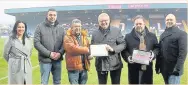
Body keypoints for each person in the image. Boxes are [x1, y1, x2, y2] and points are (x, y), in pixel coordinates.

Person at [121, 15, 159, 84]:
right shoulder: (128, 36)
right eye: (136, 24)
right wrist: (128, 57)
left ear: (144, 24)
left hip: (147, 68)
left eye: (140, 23)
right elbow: (124, 50)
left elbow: (157, 48)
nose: (138, 25)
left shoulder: (152, 36)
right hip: (133, 68)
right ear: (134, 25)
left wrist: (153, 54)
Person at [91, 13, 126, 84]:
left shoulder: (116, 30)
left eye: (105, 20)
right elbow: (92, 47)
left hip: (115, 63)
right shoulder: (94, 33)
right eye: (101, 21)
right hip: (101, 64)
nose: (104, 22)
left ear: (109, 20)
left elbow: (123, 44)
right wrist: (91, 54)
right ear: (98, 22)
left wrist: (113, 49)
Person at [34, 8, 65, 85]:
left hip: (57, 60)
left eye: (54, 15)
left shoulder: (61, 28)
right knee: (44, 82)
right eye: (50, 15)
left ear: (56, 16)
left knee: (57, 82)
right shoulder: (39, 27)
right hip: (45, 60)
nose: (52, 16)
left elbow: (65, 43)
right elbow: (36, 43)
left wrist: (60, 53)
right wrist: (49, 54)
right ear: (47, 15)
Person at [155, 14, 187, 84]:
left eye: (171, 19)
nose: (169, 21)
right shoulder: (162, 34)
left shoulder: (182, 34)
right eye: (167, 20)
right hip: (164, 69)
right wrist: (157, 66)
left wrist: (177, 68)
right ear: (165, 21)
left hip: (174, 69)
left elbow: (183, 53)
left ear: (175, 21)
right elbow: (159, 51)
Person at [3, 20, 32, 85]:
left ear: (25, 28)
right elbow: (5, 54)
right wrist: (13, 62)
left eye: (23, 27)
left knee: (26, 82)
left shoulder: (28, 39)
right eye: (19, 27)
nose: (21, 29)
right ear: (16, 28)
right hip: (15, 66)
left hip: (26, 65)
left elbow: (30, 53)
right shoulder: (10, 39)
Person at [63, 19, 91, 84]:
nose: (78, 28)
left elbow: (89, 47)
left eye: (79, 26)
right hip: (73, 68)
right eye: (75, 26)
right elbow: (73, 49)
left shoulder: (84, 37)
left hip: (84, 67)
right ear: (72, 28)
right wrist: (86, 50)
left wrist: (89, 54)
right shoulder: (67, 37)